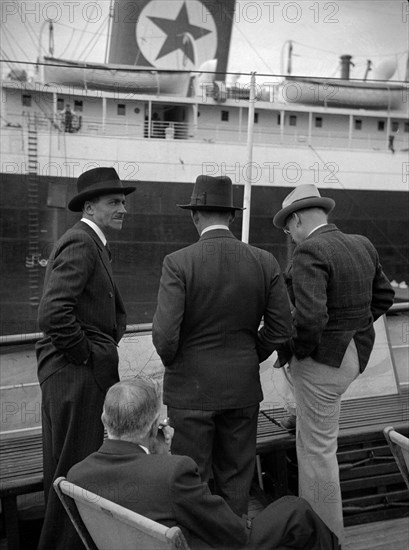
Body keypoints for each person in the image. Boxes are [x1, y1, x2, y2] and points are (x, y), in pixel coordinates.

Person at [152, 174, 293, 517]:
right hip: (242, 389)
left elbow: (166, 336)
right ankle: (234, 536)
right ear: (231, 216)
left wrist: (179, 363)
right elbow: (281, 326)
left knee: (191, 478)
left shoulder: (178, 262)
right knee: (236, 478)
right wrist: (250, 354)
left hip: (190, 392)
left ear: (194, 216)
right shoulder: (264, 261)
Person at [68, 377, 340, 550]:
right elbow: (233, 534)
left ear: (104, 421)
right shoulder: (172, 472)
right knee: (296, 510)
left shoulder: (78, 476)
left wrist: (158, 456)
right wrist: (166, 457)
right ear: (154, 426)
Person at [272, 183, 395, 545]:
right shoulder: (362, 243)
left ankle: (325, 539)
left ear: (296, 219)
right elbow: (384, 297)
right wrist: (353, 329)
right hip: (354, 356)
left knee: (317, 453)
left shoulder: (310, 250)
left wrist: (296, 351)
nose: (289, 236)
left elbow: (310, 319)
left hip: (323, 362)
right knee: (319, 444)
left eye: (286, 229)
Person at [35, 167, 136, 550]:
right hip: (77, 375)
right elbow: (53, 314)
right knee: (75, 475)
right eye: (114, 202)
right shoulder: (81, 243)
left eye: (123, 201)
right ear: (90, 207)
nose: (123, 208)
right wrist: (88, 357)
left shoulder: (92, 242)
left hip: (76, 375)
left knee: (73, 472)